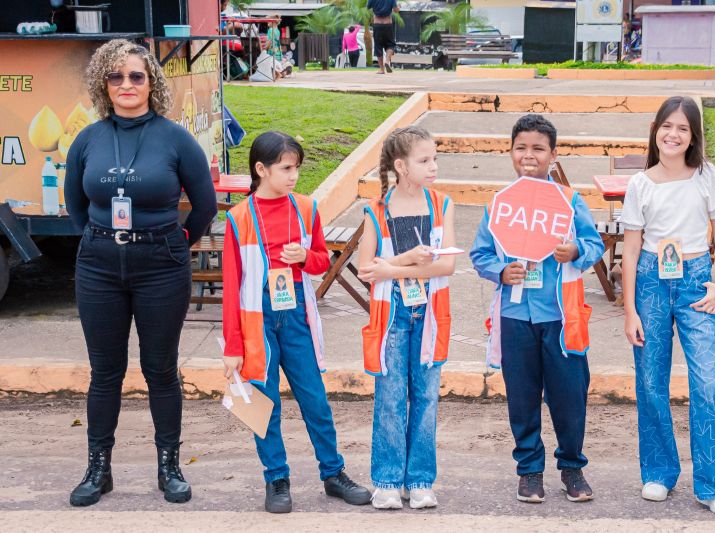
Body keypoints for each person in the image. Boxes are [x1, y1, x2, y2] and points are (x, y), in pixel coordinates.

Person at [64, 39, 217, 507]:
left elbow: (205, 205)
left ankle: (169, 467)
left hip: (161, 267)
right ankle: (98, 469)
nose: (126, 84)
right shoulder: (88, 139)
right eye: (116, 76)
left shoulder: (175, 138)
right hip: (99, 266)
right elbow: (76, 205)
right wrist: (103, 238)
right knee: (104, 372)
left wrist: (174, 243)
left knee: (160, 370)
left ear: (152, 83)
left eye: (136, 76)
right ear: (103, 84)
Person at [222, 131, 372, 513]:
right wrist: (233, 346)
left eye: (297, 168)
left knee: (315, 399)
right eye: (286, 168)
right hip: (256, 319)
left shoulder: (306, 208)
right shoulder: (238, 218)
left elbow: (322, 262)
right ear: (261, 169)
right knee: (263, 403)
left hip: (297, 315)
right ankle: (276, 479)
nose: (294, 176)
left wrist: (304, 256)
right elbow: (231, 287)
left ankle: (333, 473)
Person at [470, 114, 604, 504]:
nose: (529, 156)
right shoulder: (500, 204)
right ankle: (529, 470)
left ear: (553, 154)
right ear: (510, 152)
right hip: (515, 317)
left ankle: (572, 467)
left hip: (562, 318)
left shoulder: (569, 201)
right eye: (521, 148)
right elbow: (480, 253)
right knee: (522, 397)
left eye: (538, 149)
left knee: (570, 396)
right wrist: (500, 270)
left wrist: (575, 250)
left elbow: (595, 244)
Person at [619, 96, 715, 516]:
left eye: (683, 128)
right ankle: (658, 472)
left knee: (706, 381)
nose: (673, 134)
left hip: (696, 283)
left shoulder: (706, 176)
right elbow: (631, 250)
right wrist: (630, 310)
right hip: (651, 282)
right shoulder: (640, 184)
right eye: (667, 126)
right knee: (651, 381)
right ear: (655, 130)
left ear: (693, 136)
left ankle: (712, 485)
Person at [357, 126, 456, 510]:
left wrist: (394, 269)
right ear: (401, 166)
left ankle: (419, 481)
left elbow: (446, 264)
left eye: (435, 158)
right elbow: (367, 269)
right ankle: (386, 481)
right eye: (424, 160)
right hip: (391, 314)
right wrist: (407, 260)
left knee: (426, 397)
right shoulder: (377, 210)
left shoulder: (442, 205)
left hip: (430, 312)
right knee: (390, 397)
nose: (433, 166)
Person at [367, 0, 399, 74]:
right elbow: (395, 10)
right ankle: (387, 61)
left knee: (378, 46)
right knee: (390, 44)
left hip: (377, 24)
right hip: (388, 24)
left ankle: (381, 69)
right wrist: (398, 8)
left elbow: (368, 8)